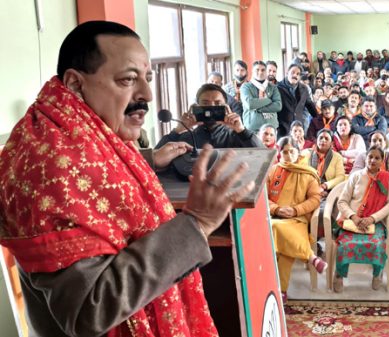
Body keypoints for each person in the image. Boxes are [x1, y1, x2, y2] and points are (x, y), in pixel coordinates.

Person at [0, 21, 256, 336]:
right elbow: (87, 310)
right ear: (75, 84)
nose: (146, 94)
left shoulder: (63, 129)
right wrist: (197, 223)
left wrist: (146, 160)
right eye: (128, 80)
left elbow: (95, 168)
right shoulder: (49, 169)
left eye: (147, 78)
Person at [267, 136, 327, 303]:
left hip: (298, 220)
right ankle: (310, 257)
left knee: (279, 233)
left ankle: (278, 291)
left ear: (298, 152)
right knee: (278, 233)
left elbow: (315, 199)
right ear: (280, 153)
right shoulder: (273, 171)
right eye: (284, 152)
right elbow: (263, 197)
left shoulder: (308, 173)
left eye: (291, 151)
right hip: (274, 217)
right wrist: (277, 209)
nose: (288, 155)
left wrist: (295, 210)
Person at [333, 146, 389, 292]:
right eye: (370, 157)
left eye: (377, 158)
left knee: (377, 244)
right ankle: (339, 274)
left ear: (382, 161)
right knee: (344, 245)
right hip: (352, 221)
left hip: (375, 222)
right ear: (365, 158)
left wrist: (373, 218)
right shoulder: (356, 176)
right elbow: (342, 201)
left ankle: (377, 273)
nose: (373, 160)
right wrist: (353, 216)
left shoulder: (387, 178)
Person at [156, 83, 263, 149]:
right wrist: (178, 130)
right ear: (196, 106)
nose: (211, 108)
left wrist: (242, 131)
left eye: (217, 104)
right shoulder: (185, 138)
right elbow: (154, 161)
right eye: (205, 103)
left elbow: (262, 156)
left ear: (226, 107)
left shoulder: (237, 137)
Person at [300, 129, 347, 199]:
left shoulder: (337, 157)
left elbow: (340, 177)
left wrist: (325, 185)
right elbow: (300, 174)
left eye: (326, 138)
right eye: (321, 138)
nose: (323, 140)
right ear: (316, 141)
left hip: (328, 191)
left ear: (331, 143)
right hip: (307, 189)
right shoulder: (305, 153)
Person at [241, 61, 282, 133]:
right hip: (253, 130)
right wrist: (268, 100)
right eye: (257, 70)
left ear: (266, 72)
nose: (260, 72)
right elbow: (250, 104)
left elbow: (278, 106)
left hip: (271, 129)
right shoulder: (246, 87)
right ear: (252, 71)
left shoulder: (273, 87)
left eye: (263, 70)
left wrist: (258, 108)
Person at [277, 64, 318, 137]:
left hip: (298, 128)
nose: (295, 75)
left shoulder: (304, 88)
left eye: (298, 74)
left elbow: (309, 105)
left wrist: (319, 118)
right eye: (293, 72)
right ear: (287, 72)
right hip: (283, 128)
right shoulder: (277, 87)